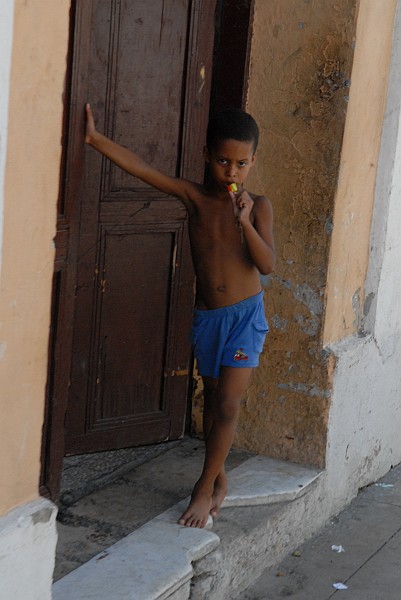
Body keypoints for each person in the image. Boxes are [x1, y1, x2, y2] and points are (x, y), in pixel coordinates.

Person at [85, 104, 276, 528]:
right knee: (211, 401)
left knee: (228, 404)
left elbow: (268, 266)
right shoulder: (195, 198)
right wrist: (95, 139)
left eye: (241, 164)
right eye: (223, 161)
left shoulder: (258, 206)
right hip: (210, 321)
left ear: (253, 162)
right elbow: (143, 170)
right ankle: (219, 476)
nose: (231, 172)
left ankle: (203, 488)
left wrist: (244, 222)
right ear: (206, 155)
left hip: (245, 317)